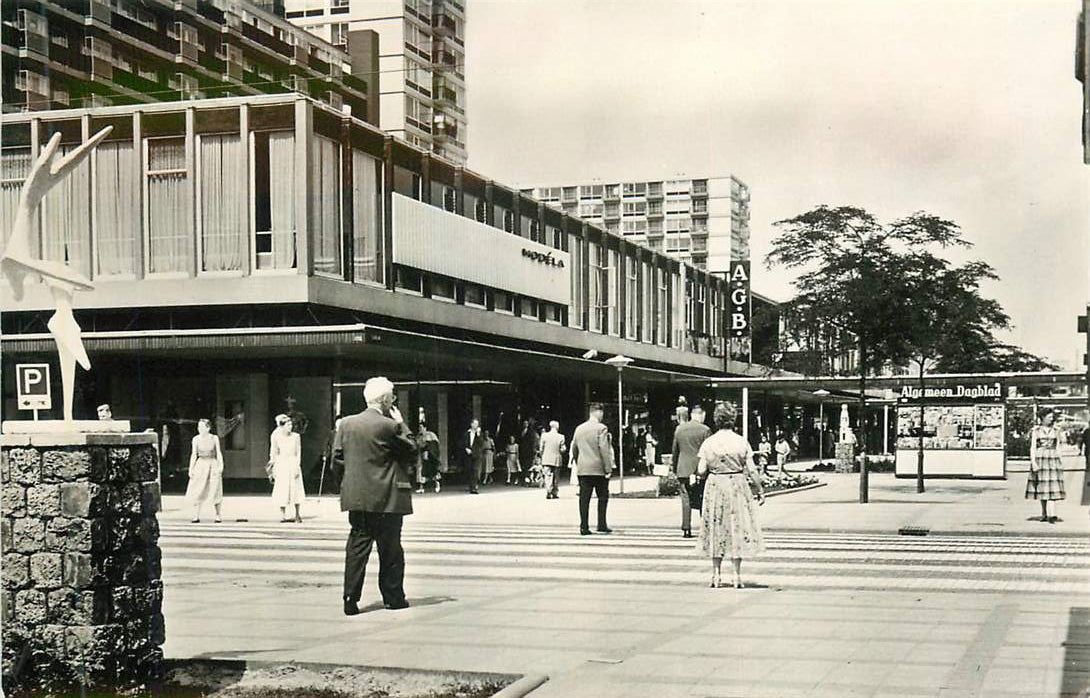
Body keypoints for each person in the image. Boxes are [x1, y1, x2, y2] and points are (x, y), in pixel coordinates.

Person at [333, 377, 417, 615]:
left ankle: (350, 598)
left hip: (358, 497)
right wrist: (401, 422)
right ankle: (393, 598)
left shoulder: (346, 424)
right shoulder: (389, 426)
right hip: (388, 497)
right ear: (385, 399)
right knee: (390, 550)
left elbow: (337, 459)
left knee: (357, 548)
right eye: (392, 395)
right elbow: (412, 449)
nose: (394, 399)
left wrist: (346, 485)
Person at [696, 402, 765, 588]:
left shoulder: (708, 442)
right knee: (736, 527)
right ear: (733, 419)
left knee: (716, 527)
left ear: (716, 419)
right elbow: (751, 469)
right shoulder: (741, 441)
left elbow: (701, 470)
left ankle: (716, 575)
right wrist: (759, 489)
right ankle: (736, 576)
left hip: (716, 485)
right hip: (737, 486)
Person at [570, 402, 615, 535]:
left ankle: (584, 526)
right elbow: (604, 449)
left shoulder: (579, 428)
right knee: (602, 497)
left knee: (584, 498)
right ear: (599, 412)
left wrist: (579, 463)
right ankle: (601, 524)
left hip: (583, 469)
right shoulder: (601, 428)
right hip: (598, 469)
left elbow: (574, 448)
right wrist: (608, 468)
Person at [672, 405, 711, 539]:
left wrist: (674, 467)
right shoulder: (705, 430)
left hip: (683, 469)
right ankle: (705, 528)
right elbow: (708, 451)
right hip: (700, 469)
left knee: (685, 498)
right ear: (701, 415)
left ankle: (686, 528)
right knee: (702, 497)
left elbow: (675, 450)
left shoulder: (679, 429)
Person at [1026, 408, 1066, 523]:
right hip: (1040, 458)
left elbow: (1058, 446)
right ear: (1042, 418)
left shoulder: (1056, 430)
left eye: (1052, 417)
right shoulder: (1036, 431)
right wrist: (1033, 462)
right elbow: (1033, 447)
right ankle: (1044, 513)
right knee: (1042, 487)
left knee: (1053, 485)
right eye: (1049, 417)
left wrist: (1060, 460)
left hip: (1052, 458)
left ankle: (1052, 514)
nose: (1051, 419)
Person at [185, 418, 224, 523]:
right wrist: (191, 468)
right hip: (201, 464)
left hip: (212, 463)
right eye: (199, 427)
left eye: (202, 427)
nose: (199, 429)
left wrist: (221, 466)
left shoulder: (214, 438)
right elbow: (194, 454)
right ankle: (196, 515)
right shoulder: (196, 439)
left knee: (215, 488)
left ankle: (218, 514)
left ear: (208, 428)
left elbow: (218, 452)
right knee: (197, 488)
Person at [269, 414, 305, 523]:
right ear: (282, 426)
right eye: (288, 425)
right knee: (282, 489)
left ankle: (297, 514)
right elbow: (274, 452)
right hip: (282, 464)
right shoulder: (276, 436)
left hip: (293, 462)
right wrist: (273, 468)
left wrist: (297, 466)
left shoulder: (296, 437)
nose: (290, 427)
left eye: (291, 425)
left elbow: (298, 452)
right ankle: (282, 514)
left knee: (296, 489)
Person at [539, 420, 567, 500]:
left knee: (547, 476)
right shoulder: (561, 437)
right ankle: (554, 492)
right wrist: (563, 450)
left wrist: (542, 456)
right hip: (557, 459)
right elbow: (562, 449)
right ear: (557, 427)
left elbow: (541, 448)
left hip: (546, 458)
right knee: (556, 477)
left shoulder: (544, 436)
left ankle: (548, 490)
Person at [415, 424, 441, 494]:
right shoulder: (419, 436)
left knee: (434, 470)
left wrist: (428, 451)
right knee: (422, 471)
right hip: (422, 456)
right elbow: (417, 445)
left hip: (431, 456)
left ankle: (437, 485)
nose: (420, 429)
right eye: (419, 428)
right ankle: (421, 488)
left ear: (425, 428)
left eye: (421, 427)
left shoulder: (431, 435)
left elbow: (434, 445)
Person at [463, 418, 484, 494]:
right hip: (468, 454)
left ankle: (474, 488)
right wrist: (466, 448)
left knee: (475, 470)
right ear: (471, 424)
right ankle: (471, 485)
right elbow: (463, 443)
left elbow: (481, 443)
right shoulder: (467, 433)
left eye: (477, 424)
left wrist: (478, 434)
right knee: (469, 470)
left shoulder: (479, 434)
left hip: (476, 454)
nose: (476, 425)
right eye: (475, 424)